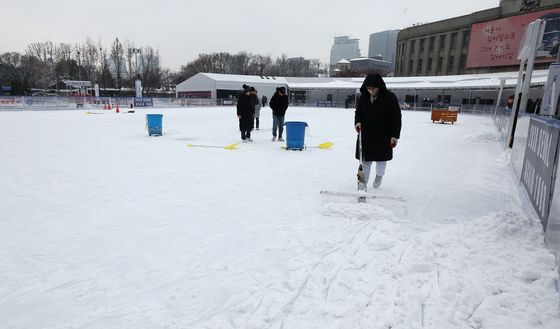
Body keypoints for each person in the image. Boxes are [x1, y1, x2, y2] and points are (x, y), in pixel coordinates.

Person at [354, 73, 402, 190]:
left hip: (383, 135)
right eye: (368, 88)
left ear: (379, 86)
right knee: (365, 160)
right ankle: (363, 183)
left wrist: (394, 136)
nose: (371, 91)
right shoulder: (363, 97)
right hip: (366, 135)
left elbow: (396, 117)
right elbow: (358, 112)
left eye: (373, 88)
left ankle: (379, 176)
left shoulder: (390, 97)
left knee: (381, 160)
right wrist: (358, 122)